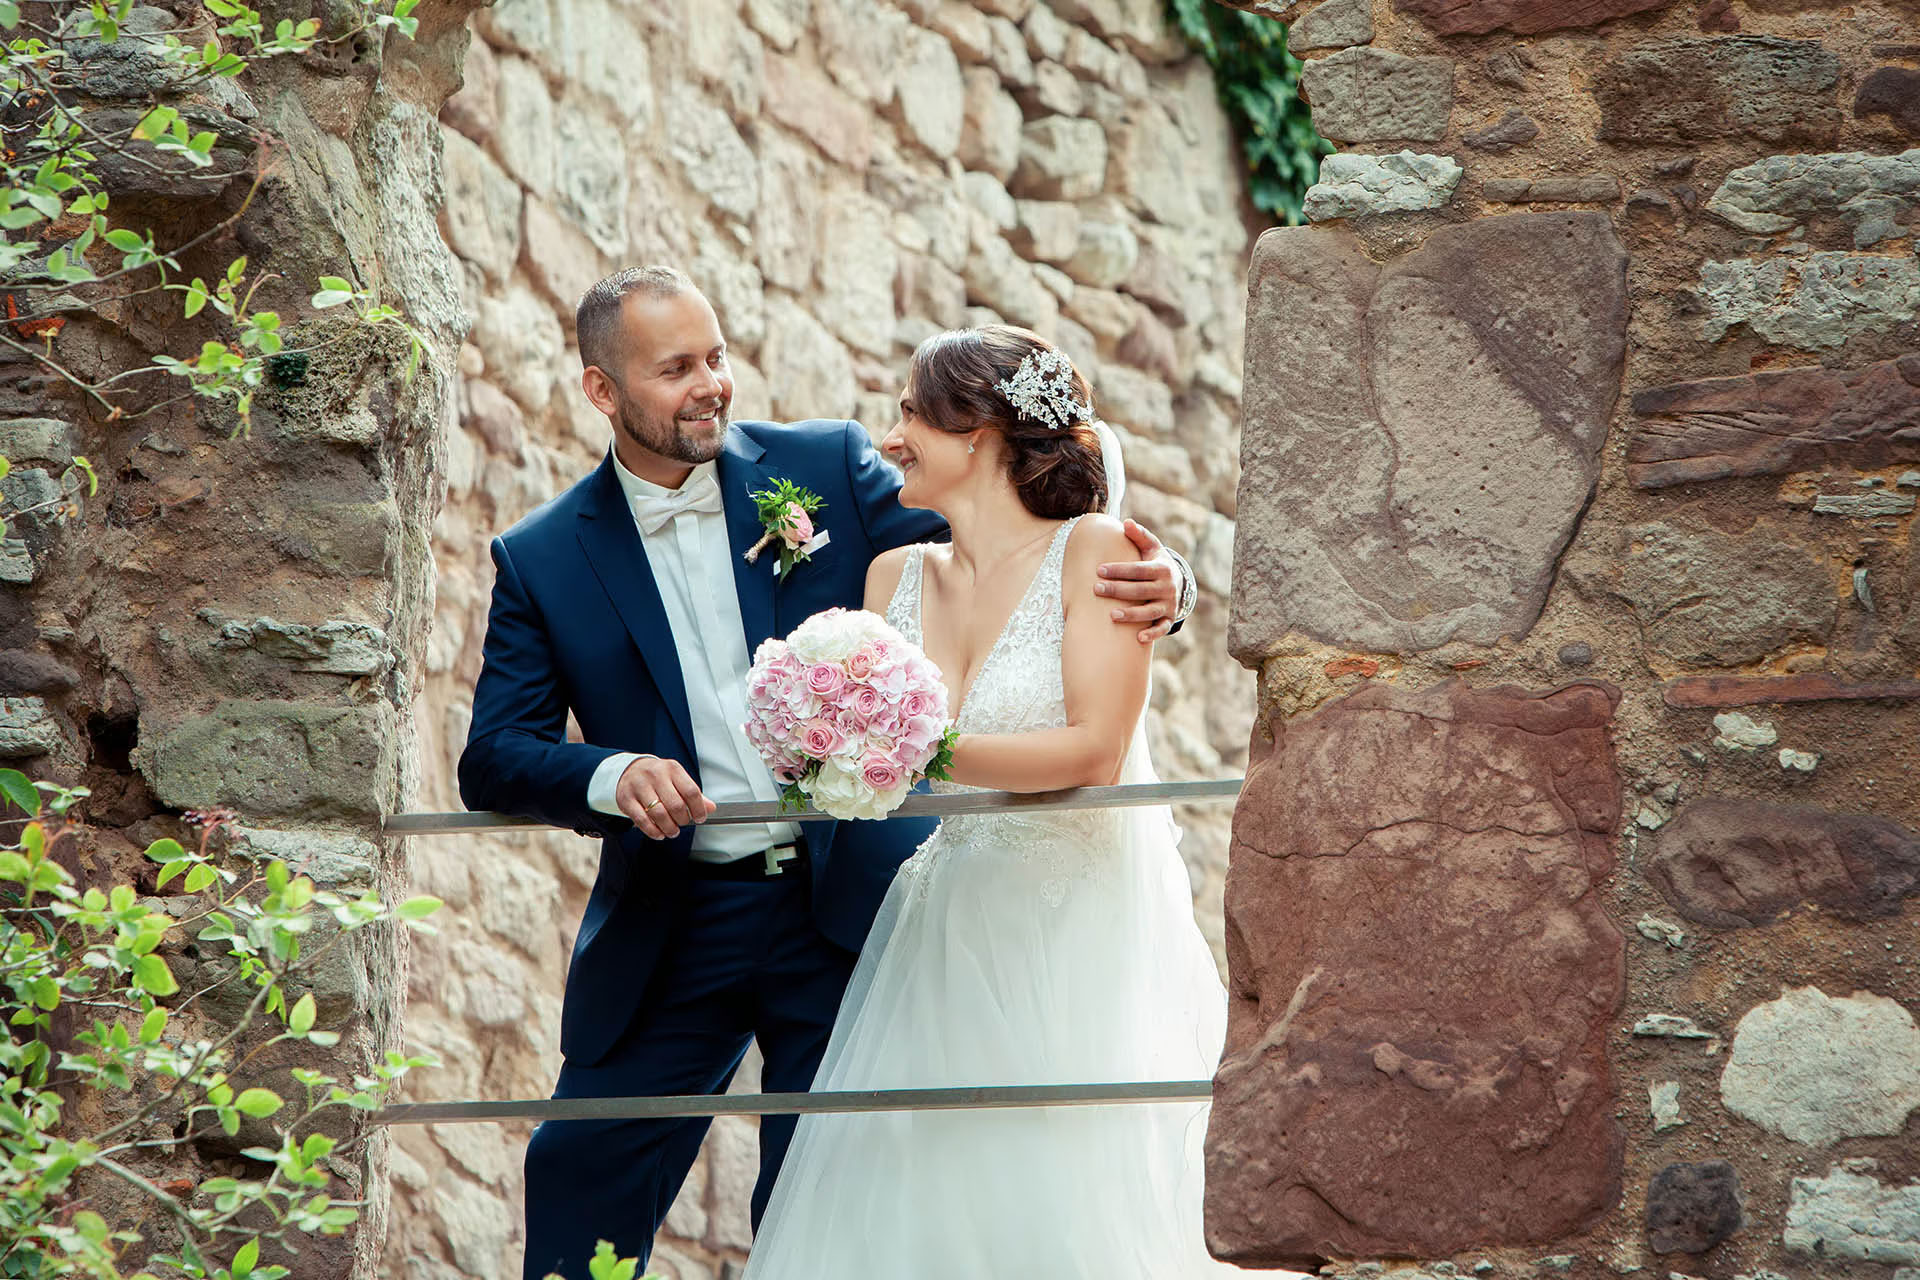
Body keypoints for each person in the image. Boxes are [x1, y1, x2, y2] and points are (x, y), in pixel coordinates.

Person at [454, 267, 1197, 1279]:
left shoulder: (828, 467)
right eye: (676, 369)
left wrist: (1163, 584)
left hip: (853, 905)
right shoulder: (541, 557)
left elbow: (1003, 545)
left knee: (833, 1203)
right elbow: (495, 752)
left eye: (716, 356)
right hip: (676, 917)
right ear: (602, 390)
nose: (712, 384)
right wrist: (610, 771)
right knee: (577, 1175)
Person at [742, 326, 1240, 1279]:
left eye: (908, 415)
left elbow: (1095, 749)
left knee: (1061, 1189)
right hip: (947, 919)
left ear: (974, 435)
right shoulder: (893, 577)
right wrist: (835, 748)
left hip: (1076, 925)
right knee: (924, 1194)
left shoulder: (1095, 551)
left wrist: (913, 749)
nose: (889, 438)